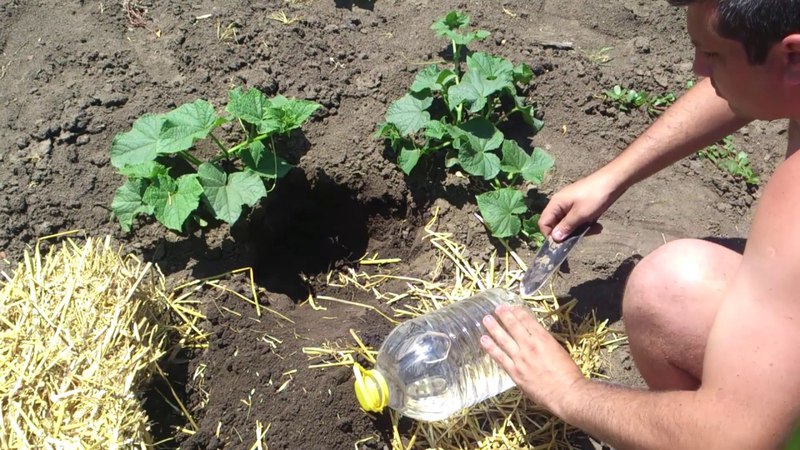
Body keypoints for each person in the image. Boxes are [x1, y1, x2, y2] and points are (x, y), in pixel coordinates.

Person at [480, 0, 800, 448]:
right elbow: (751, 85)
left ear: (792, 56)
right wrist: (614, 177)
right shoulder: (785, 67)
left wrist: (566, 391)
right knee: (670, 289)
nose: (697, 69)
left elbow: (734, 437)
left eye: (713, 55)